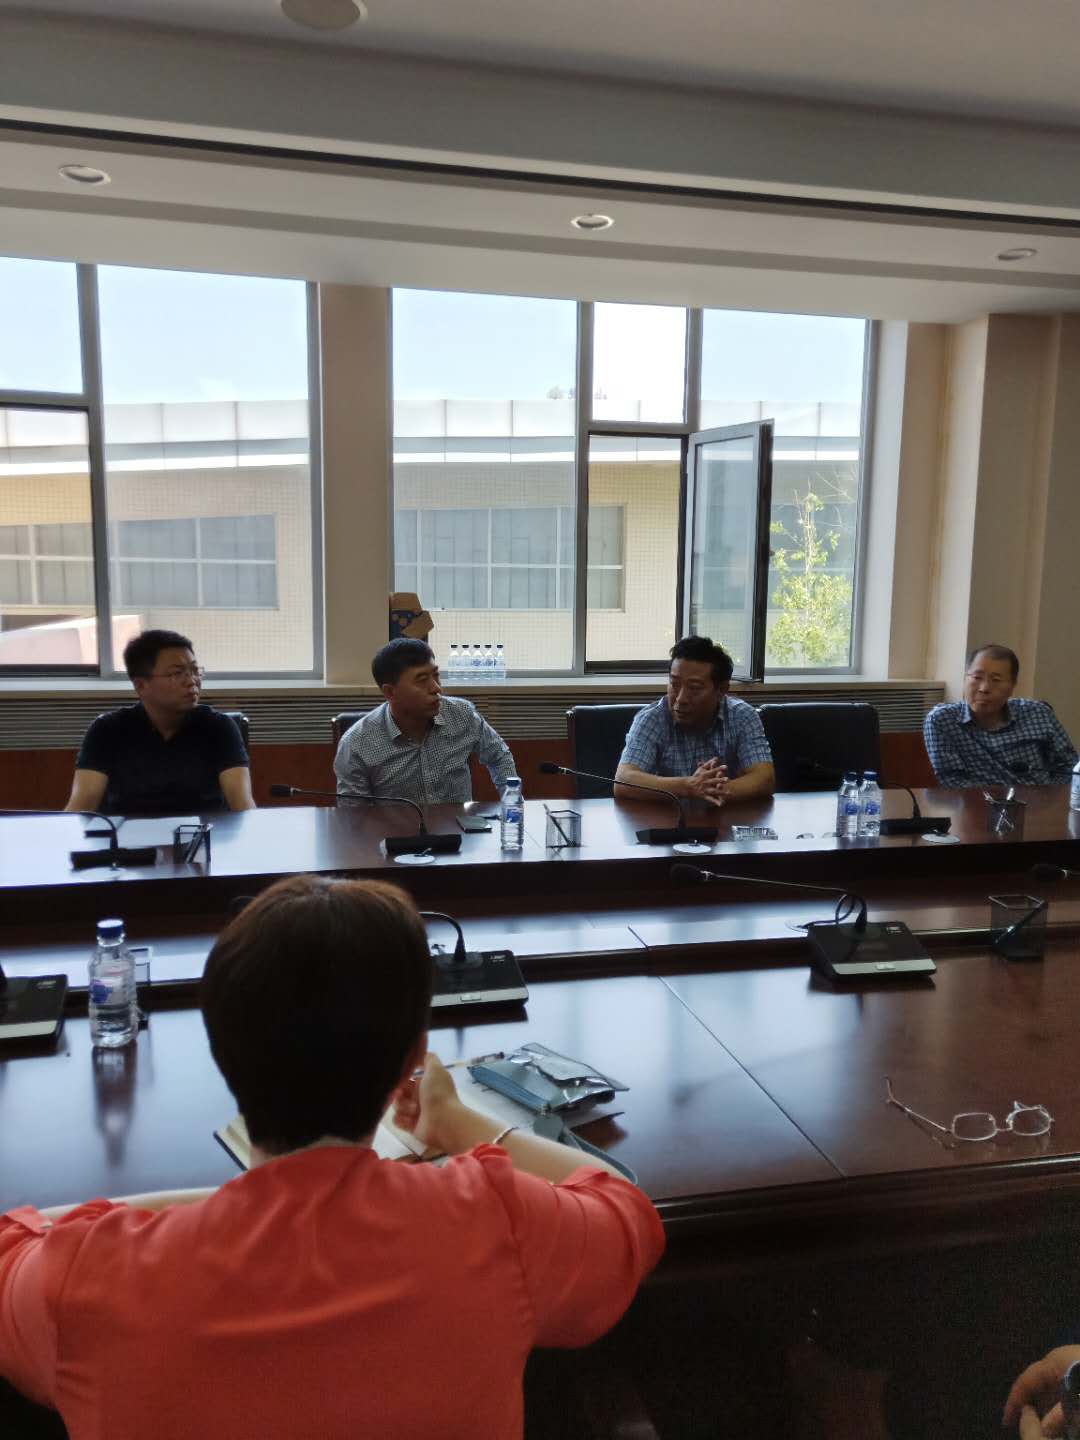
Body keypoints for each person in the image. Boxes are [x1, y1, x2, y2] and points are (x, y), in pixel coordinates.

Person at [0, 874, 664, 1440]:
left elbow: (14, 1236)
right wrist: (460, 1123)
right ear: (412, 1058)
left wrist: (236, 1201)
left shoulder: (86, 1277)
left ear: (219, 1048)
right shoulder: (496, 1221)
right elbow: (621, 1204)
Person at [64, 629, 254, 816]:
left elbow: (242, 805)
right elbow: (81, 807)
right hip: (129, 836)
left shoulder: (219, 728)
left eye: (195, 670)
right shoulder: (107, 730)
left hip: (204, 834)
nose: (192, 681)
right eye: (177, 673)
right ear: (141, 685)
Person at [335, 636, 516, 804]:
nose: (436, 688)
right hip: (395, 828)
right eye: (422, 680)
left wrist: (512, 802)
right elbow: (354, 815)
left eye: (436, 675)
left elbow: (499, 755)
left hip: (457, 825)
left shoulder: (461, 714)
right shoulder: (357, 744)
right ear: (390, 692)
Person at [615, 634, 775, 806]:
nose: (681, 699)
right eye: (674, 684)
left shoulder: (742, 716)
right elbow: (623, 780)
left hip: (725, 818)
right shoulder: (653, 718)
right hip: (668, 819)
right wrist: (688, 786)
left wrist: (709, 789)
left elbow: (765, 778)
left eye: (694, 688)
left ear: (721, 690)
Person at [923, 643, 1078, 788]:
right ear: (965, 678)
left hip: (1040, 801)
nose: (984, 688)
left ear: (1012, 686)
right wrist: (998, 803)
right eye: (977, 678)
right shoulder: (943, 720)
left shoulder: (1038, 713)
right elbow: (952, 781)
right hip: (978, 804)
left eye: (996, 680)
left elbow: (1070, 767)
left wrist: (1049, 798)